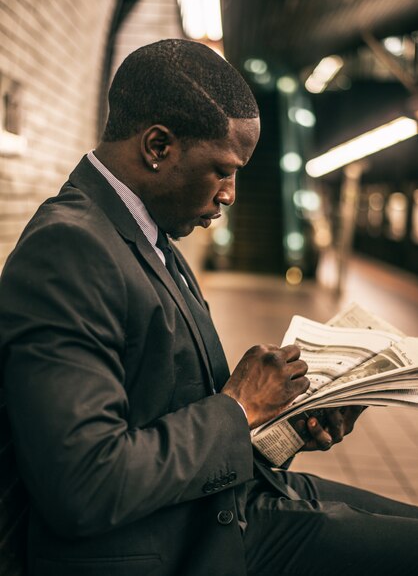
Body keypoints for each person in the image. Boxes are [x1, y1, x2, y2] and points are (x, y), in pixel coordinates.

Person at [0, 39, 418, 576]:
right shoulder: (68, 250)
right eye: (222, 170)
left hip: (218, 506)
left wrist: (282, 424)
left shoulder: (147, 236)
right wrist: (240, 409)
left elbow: (165, 413)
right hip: (169, 546)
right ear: (158, 145)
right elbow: (84, 483)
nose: (230, 195)